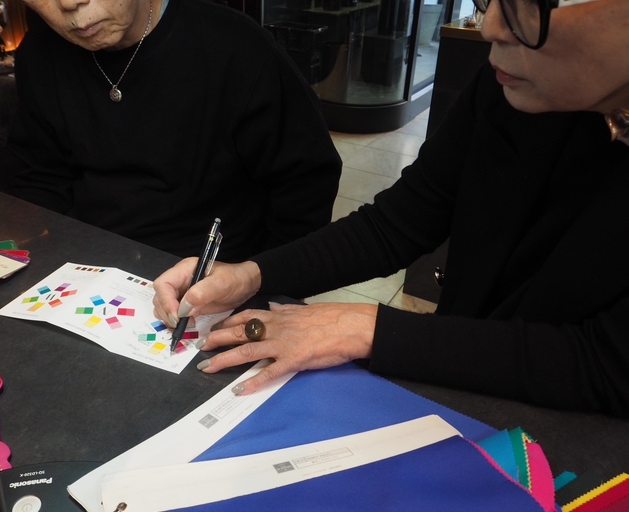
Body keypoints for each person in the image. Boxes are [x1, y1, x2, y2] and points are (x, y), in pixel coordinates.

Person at [153, 0, 629, 417]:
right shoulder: (509, 89)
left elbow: (604, 366)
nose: (491, 27)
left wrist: (369, 329)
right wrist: (252, 275)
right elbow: (394, 225)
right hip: (460, 394)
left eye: (532, 4)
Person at [0, 0, 341, 262]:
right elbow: (41, 171)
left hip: (212, 273)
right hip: (91, 263)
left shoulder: (236, 47)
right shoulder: (40, 50)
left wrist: (260, 280)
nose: (70, 3)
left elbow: (306, 182)